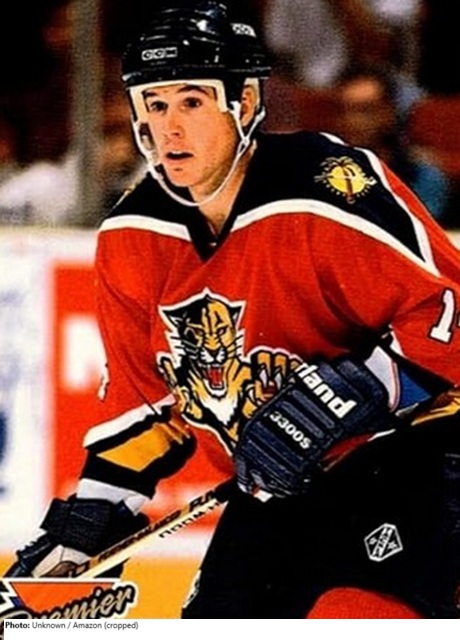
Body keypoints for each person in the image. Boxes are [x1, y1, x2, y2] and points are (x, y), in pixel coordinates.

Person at [6, 0, 460, 619]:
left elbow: (447, 313)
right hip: (272, 492)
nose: (169, 128)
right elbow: (146, 411)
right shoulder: (131, 236)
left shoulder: (326, 189)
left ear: (244, 103)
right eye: (153, 104)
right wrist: (86, 521)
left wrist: (361, 386)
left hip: (407, 467)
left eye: (191, 102)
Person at [333, 64, 451, 224]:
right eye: (343, 110)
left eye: (365, 110)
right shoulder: (320, 174)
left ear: (388, 113)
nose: (352, 121)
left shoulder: (423, 177)